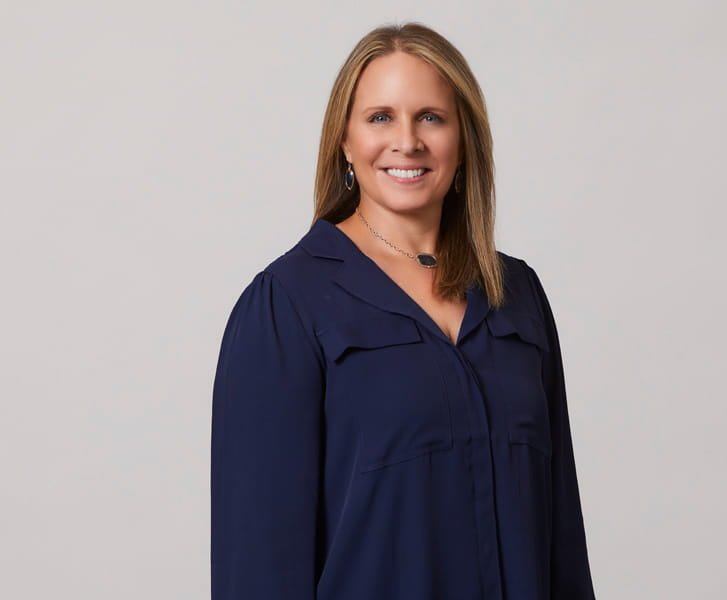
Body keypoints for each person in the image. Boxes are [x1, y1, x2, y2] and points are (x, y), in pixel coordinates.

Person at [211, 21, 596, 600]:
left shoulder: (517, 294)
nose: (407, 141)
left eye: (431, 118)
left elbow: (561, 536)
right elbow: (258, 566)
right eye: (380, 117)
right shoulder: (286, 307)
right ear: (344, 139)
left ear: (464, 140)